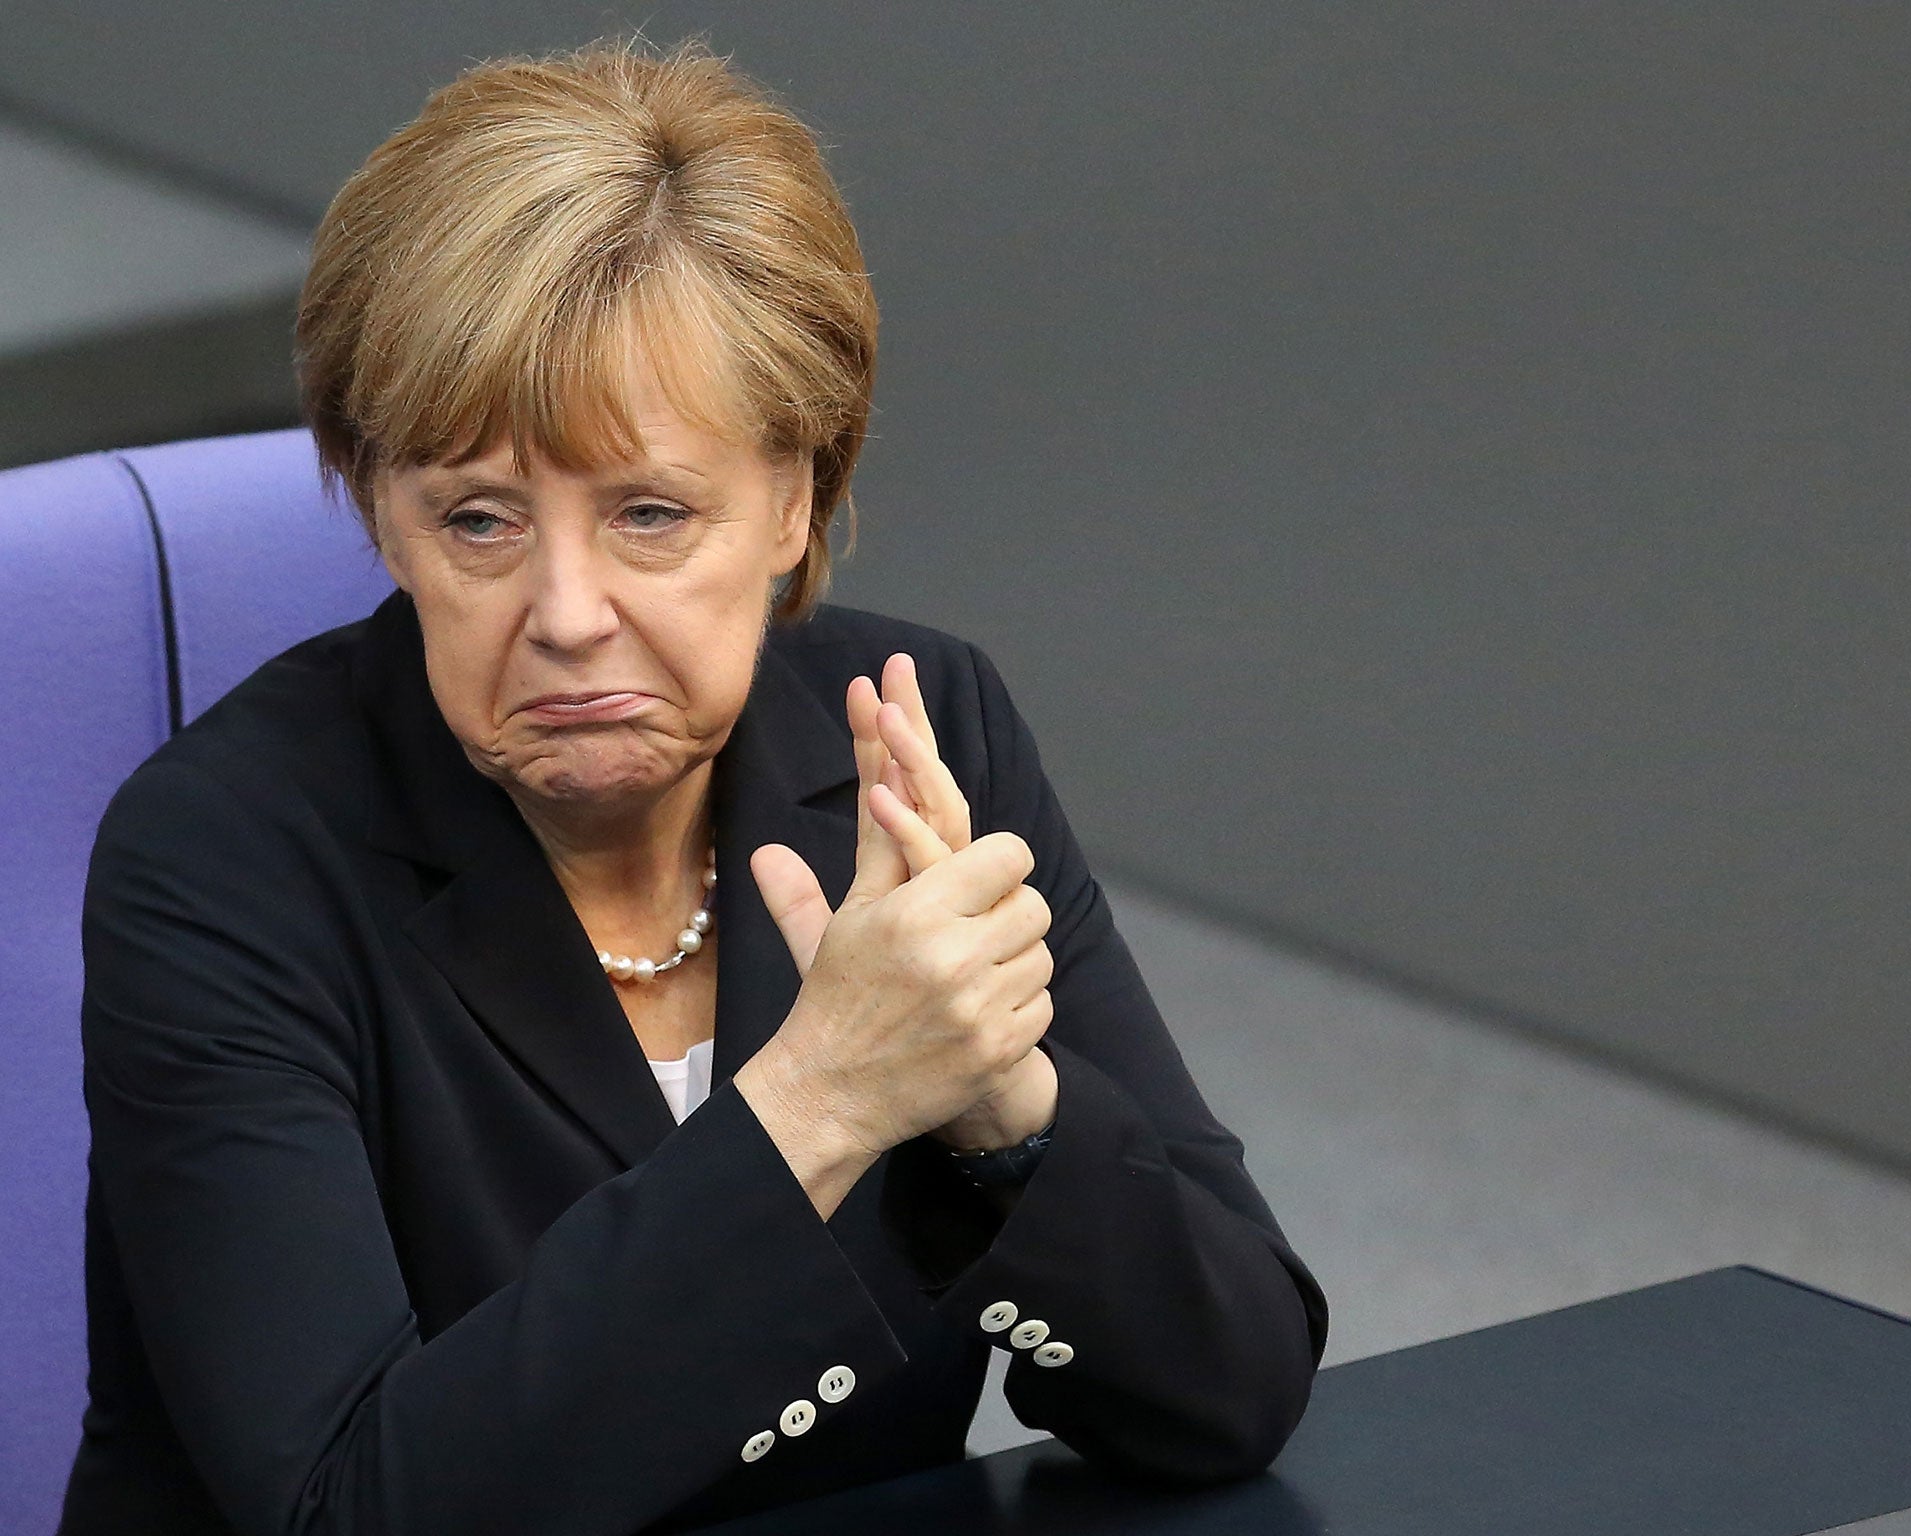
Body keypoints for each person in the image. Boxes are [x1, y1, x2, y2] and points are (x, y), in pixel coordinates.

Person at [58, 37, 1327, 1536]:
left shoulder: (916, 744)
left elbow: (1231, 1388)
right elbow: (350, 1512)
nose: (569, 609)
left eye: (651, 513)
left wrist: (1004, 1109)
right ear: (377, 514)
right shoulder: (221, 857)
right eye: (477, 519)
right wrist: (824, 1100)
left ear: (798, 499)